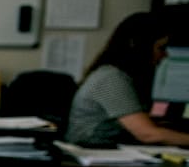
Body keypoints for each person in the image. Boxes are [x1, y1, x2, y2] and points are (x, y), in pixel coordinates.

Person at [65, 11, 189, 147]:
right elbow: (147, 134)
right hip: (93, 154)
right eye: (161, 47)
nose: (165, 55)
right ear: (137, 45)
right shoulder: (110, 78)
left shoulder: (122, 76)